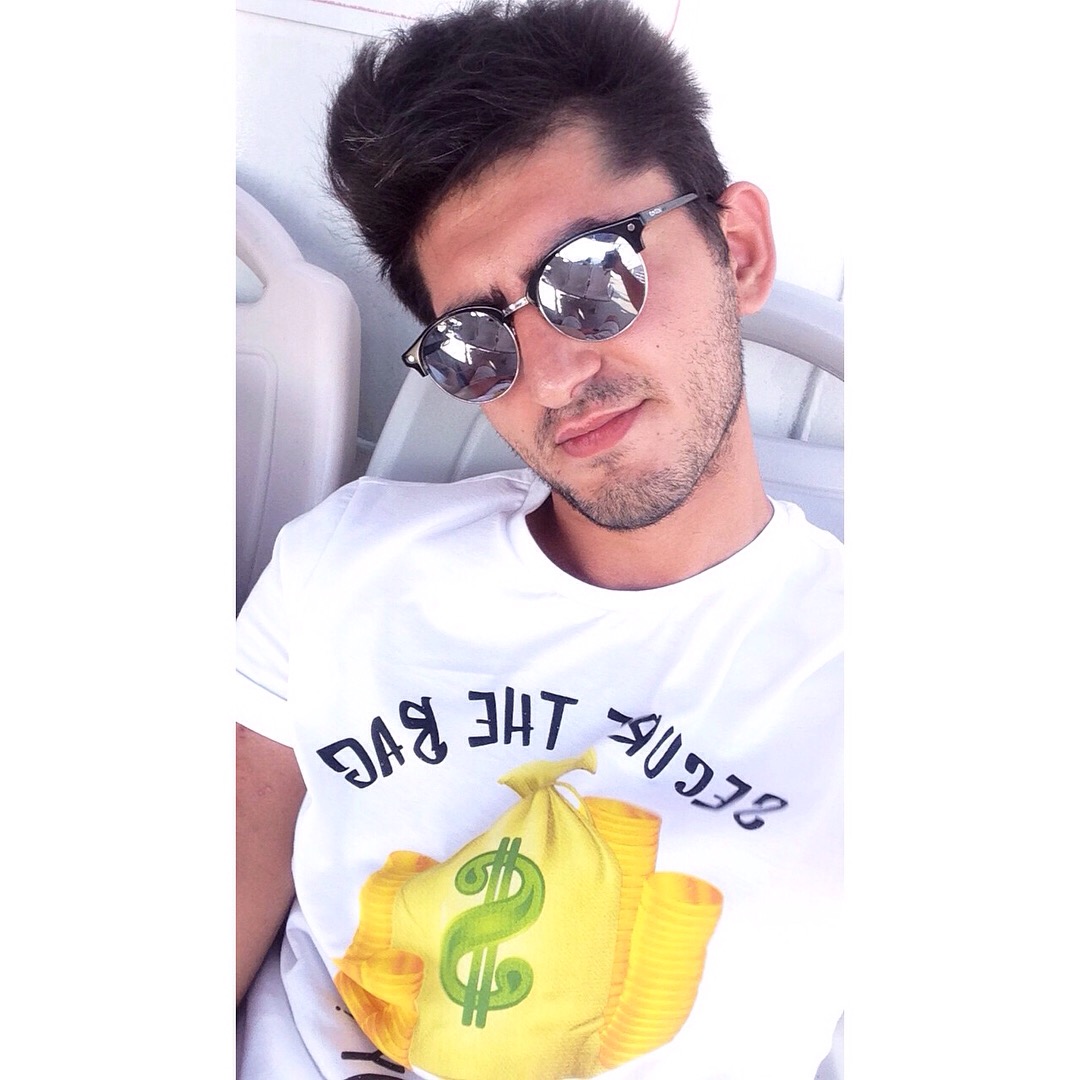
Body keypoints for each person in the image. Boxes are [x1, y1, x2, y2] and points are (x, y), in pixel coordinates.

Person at [236, 1, 843, 1077]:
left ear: (739, 249)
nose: (555, 375)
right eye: (476, 341)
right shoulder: (343, 563)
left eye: (592, 276)